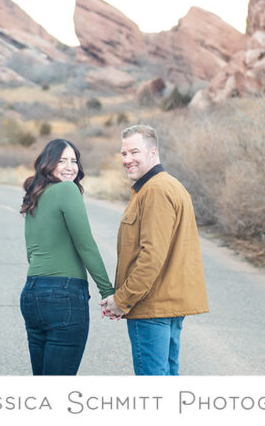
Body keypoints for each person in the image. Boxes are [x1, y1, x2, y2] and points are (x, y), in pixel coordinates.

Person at [101, 124, 208, 375]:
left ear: (153, 152)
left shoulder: (156, 190)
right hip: (165, 304)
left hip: (151, 308)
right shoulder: (163, 185)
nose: (127, 159)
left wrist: (122, 300)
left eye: (134, 152)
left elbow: (151, 257)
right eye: (124, 153)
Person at [19, 138, 114, 375]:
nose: (70, 166)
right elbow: (86, 246)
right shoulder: (67, 189)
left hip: (32, 294)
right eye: (62, 161)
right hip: (64, 296)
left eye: (74, 161)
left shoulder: (35, 195)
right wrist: (108, 291)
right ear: (48, 164)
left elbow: (31, 253)